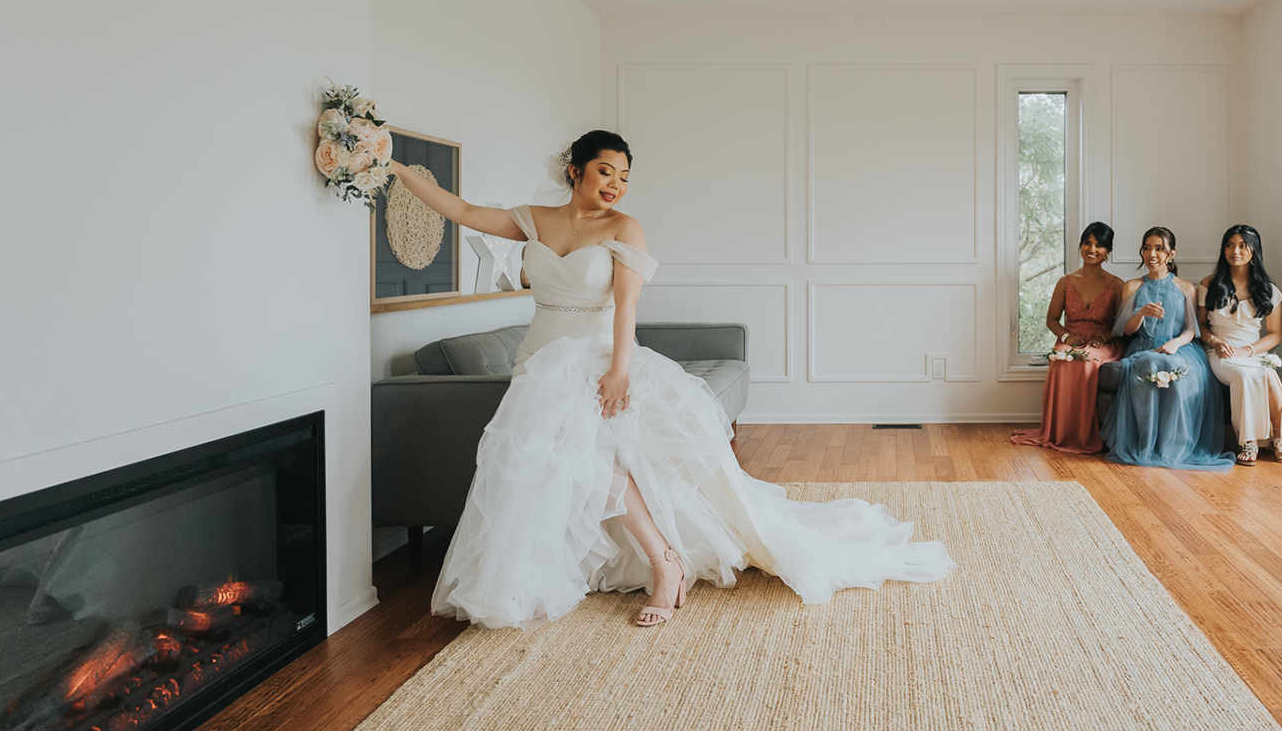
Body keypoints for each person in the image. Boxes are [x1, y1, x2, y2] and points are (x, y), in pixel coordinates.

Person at [388, 130, 956, 629]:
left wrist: (619, 369)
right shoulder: (533, 219)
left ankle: (665, 562)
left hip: (597, 357)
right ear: (575, 172)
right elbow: (460, 209)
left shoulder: (625, 227)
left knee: (596, 458)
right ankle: (592, 565)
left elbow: (627, 306)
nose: (615, 185)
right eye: (605, 171)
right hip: (538, 361)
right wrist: (389, 165)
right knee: (553, 464)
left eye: (624, 177)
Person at [1100, 228, 1234, 470]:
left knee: (1173, 366)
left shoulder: (1186, 287)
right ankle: (1147, 444)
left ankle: (1173, 446)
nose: (1152, 254)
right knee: (1150, 363)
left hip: (1179, 347)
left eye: (1159, 249)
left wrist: (1176, 343)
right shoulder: (1132, 286)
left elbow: (1192, 329)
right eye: (1147, 248)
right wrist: (1142, 313)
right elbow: (1126, 330)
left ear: (1171, 254)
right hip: (1144, 346)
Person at [1010, 223, 1126, 454]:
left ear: (1108, 252)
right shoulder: (1066, 281)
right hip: (1072, 339)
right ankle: (1061, 432)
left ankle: (1083, 435)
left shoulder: (1117, 284)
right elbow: (1051, 319)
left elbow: (1121, 326)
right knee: (1062, 359)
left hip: (1104, 343)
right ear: (1080, 246)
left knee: (1086, 360)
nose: (1092, 249)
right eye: (1087, 243)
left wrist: (1102, 337)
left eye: (1099, 245)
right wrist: (1066, 336)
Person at [1196, 225, 1282, 465]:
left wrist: (1248, 351)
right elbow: (1199, 326)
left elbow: (1275, 335)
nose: (1235, 251)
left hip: (1253, 351)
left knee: (1270, 377)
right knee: (1243, 375)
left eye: (1243, 246)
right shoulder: (1209, 284)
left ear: (1254, 251)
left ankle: (1279, 439)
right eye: (1230, 245)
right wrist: (1216, 342)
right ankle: (1248, 441)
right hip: (1221, 351)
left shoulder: (1268, 290)